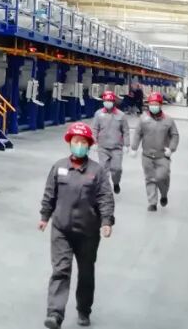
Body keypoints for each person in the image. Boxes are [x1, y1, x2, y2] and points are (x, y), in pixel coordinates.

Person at [39, 122, 114, 328]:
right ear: (70, 143)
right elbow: (49, 194)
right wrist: (44, 216)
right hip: (61, 229)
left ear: (89, 145)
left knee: (86, 272)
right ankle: (55, 314)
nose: (79, 145)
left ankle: (83, 310)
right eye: (75, 141)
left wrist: (106, 221)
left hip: (88, 232)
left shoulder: (97, 171)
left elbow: (105, 198)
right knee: (60, 270)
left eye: (83, 142)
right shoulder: (59, 167)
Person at [131, 92, 181, 212]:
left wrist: (171, 149)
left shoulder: (168, 120)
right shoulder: (143, 119)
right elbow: (138, 134)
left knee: (161, 177)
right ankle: (152, 203)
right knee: (150, 179)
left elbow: (175, 135)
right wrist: (134, 148)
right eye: (151, 104)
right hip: (147, 156)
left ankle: (164, 194)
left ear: (160, 105)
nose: (153, 106)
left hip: (162, 156)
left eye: (156, 104)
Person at [92, 90, 130, 194]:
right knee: (103, 169)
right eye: (106, 100)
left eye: (109, 100)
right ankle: (104, 189)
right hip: (103, 147)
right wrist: (94, 142)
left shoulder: (121, 115)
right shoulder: (98, 114)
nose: (107, 102)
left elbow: (125, 130)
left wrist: (126, 145)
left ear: (113, 102)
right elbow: (95, 128)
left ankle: (116, 183)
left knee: (116, 169)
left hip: (116, 148)